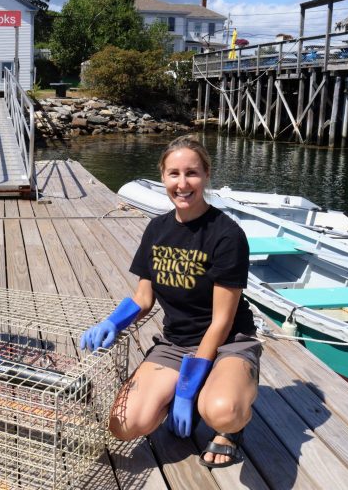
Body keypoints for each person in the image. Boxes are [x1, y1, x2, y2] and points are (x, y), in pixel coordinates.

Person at [80, 135, 261, 468]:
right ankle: (186, 398)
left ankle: (230, 428)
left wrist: (187, 387)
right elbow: (143, 298)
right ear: (162, 177)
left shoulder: (227, 235)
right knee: (124, 424)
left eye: (191, 173)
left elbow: (220, 323)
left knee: (222, 411)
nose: (182, 183)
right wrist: (112, 322)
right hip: (177, 343)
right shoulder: (156, 229)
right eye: (173, 173)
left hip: (228, 344)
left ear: (206, 175)